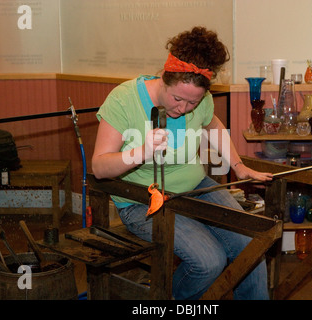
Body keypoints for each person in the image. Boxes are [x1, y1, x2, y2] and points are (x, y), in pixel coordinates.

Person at [92, 26, 273, 300]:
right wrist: (141, 152)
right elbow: (99, 167)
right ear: (164, 79)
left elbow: (213, 125)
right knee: (208, 262)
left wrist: (238, 166)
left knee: (252, 244)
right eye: (177, 98)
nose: (183, 109)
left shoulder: (200, 102)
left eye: (193, 102)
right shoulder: (123, 99)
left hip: (195, 186)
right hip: (141, 200)